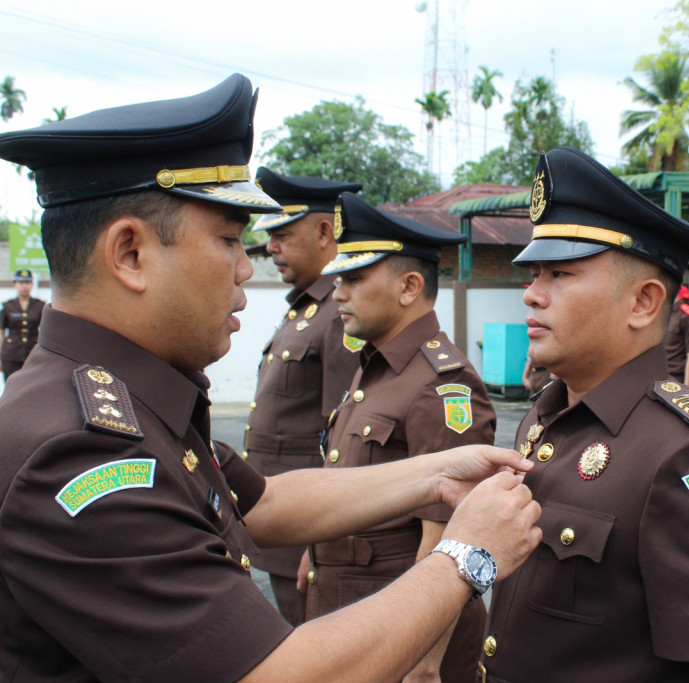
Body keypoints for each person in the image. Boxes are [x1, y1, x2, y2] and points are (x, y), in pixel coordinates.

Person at [0, 74, 541, 682]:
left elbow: (267, 501)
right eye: (229, 240)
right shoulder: (82, 450)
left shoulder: (123, 400)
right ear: (129, 253)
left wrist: (436, 474)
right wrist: (466, 558)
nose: (243, 268)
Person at [479, 147, 689, 682]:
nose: (531, 295)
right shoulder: (546, 415)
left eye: (560, 275)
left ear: (643, 302)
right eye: (534, 274)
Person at [302, 191, 497, 682]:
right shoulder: (377, 366)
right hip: (350, 613)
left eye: (354, 278)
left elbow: (449, 541)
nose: (338, 293)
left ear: (409, 286)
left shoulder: (442, 383)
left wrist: (424, 663)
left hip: (399, 637)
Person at [242, 168, 364, 626]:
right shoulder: (306, 308)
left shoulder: (338, 314)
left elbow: (342, 441)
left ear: (325, 232)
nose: (270, 247)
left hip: (304, 531)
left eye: (282, 234)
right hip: (282, 526)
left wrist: (320, 544)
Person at [1, 269, 45, 379]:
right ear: (15, 285)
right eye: (21, 283)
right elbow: (1, 331)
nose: (24, 286)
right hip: (11, 353)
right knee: (11, 387)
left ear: (32, 284)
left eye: (27, 283)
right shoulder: (8, 306)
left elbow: (44, 330)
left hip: (32, 352)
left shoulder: (39, 305)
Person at [663, 282, 689, 387]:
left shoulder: (687, 315)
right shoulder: (666, 313)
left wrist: (687, 390)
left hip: (679, 378)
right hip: (663, 376)